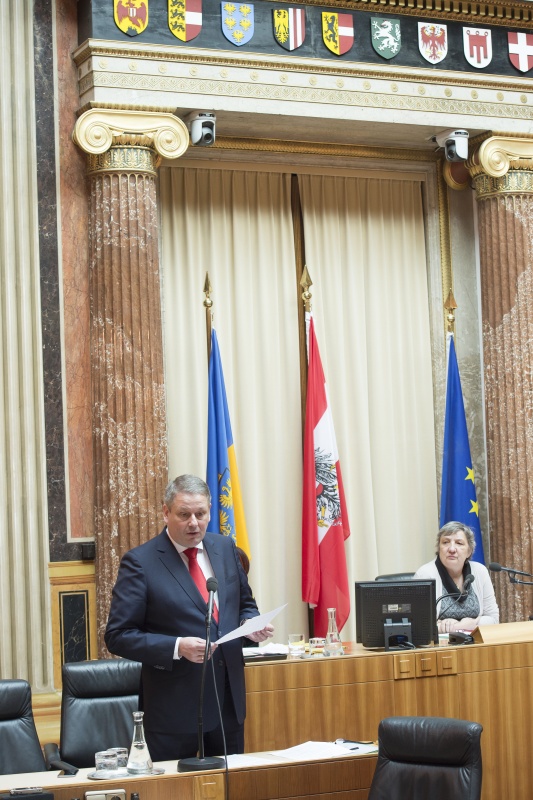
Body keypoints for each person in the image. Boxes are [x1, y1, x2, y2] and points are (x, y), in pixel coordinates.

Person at [105, 474, 274, 761]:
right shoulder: (140, 562)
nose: (194, 523)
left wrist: (250, 625)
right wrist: (177, 647)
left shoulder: (225, 548)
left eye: (201, 514)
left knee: (228, 783)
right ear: (166, 512)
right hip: (174, 710)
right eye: (184, 515)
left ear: (210, 510)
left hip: (227, 704)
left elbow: (245, 604)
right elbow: (118, 635)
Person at [414, 520, 499, 633]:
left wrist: (471, 624)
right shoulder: (425, 575)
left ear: (469, 551)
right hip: (440, 642)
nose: (452, 549)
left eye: (459, 543)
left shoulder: (480, 571)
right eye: (445, 542)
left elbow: (493, 618)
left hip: (475, 641)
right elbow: (418, 625)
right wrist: (455, 627)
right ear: (439, 549)